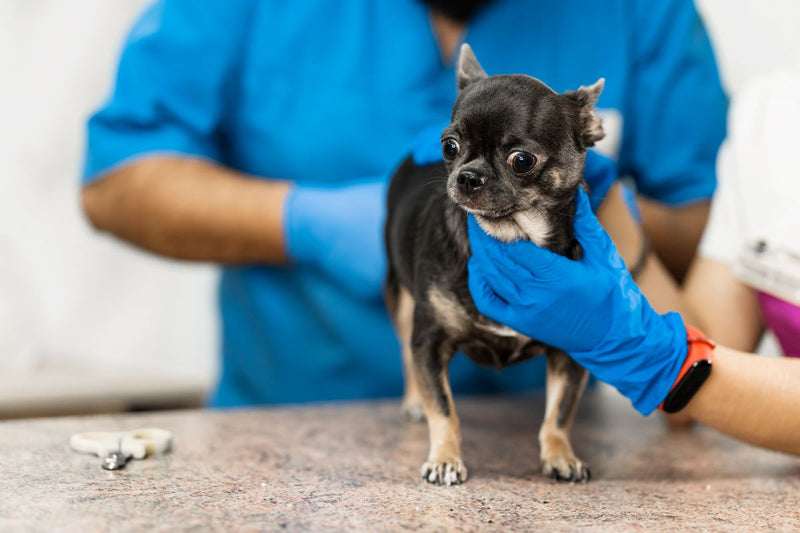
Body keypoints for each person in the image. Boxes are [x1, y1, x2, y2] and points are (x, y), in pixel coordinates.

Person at [81, 0, 726, 406]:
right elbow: (117, 183)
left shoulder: (647, 12)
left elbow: (710, 229)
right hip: (288, 423)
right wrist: (304, 223)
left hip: (531, 437)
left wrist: (596, 217)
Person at [467, 72, 800, 454]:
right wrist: (611, 216)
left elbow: (691, 376)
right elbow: (693, 402)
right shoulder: (769, 113)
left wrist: (654, 358)